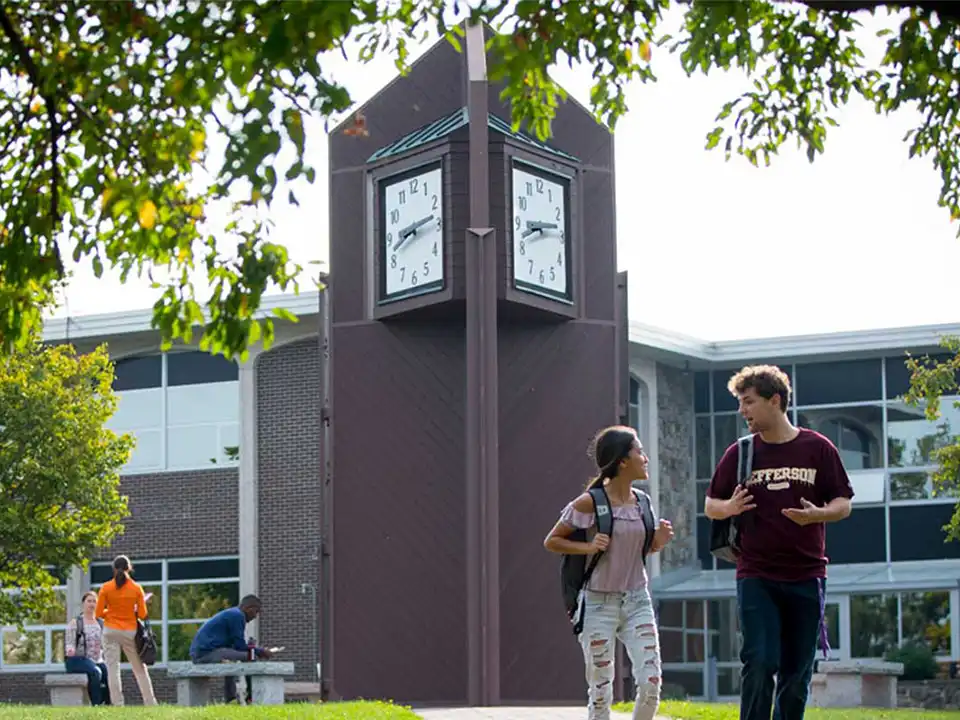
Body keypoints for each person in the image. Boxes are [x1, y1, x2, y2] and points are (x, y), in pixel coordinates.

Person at [704, 365, 854, 720]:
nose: (743, 411)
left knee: (796, 673)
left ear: (775, 401)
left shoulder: (818, 448)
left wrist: (817, 514)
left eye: (749, 402)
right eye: (740, 402)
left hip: (807, 575)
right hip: (756, 574)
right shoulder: (739, 453)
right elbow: (711, 505)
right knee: (759, 661)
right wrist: (730, 507)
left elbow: (844, 503)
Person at [544, 425, 675, 720]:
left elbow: (640, 551)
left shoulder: (643, 502)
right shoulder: (590, 502)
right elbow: (552, 541)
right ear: (622, 461)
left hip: (637, 601)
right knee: (602, 692)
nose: (646, 458)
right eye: (639, 451)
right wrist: (589, 547)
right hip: (598, 604)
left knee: (651, 684)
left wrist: (659, 541)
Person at [95, 555, 157, 706]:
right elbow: (142, 614)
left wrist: (110, 613)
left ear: (114, 569)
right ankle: (150, 702)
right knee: (139, 668)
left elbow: (98, 613)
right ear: (129, 568)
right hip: (130, 632)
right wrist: (131, 611)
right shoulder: (136, 588)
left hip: (110, 631)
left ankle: (118, 704)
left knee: (112, 669)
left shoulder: (106, 587)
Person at [189, 594, 273, 704]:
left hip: (203, 653)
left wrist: (252, 647)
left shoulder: (233, 614)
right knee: (250, 656)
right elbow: (240, 646)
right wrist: (259, 651)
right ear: (249, 608)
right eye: (256, 612)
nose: (256, 616)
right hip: (205, 653)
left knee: (232, 658)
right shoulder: (237, 616)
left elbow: (235, 646)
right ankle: (250, 697)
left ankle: (231, 698)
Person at [64, 591, 110, 705]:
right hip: (77, 659)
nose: (92, 604)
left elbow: (107, 642)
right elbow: (69, 641)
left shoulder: (101, 623)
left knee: (109, 673)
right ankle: (96, 704)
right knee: (96, 672)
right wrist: (70, 649)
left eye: (94, 601)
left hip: (97, 659)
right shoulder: (75, 622)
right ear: (83, 604)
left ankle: (108, 704)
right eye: (89, 601)